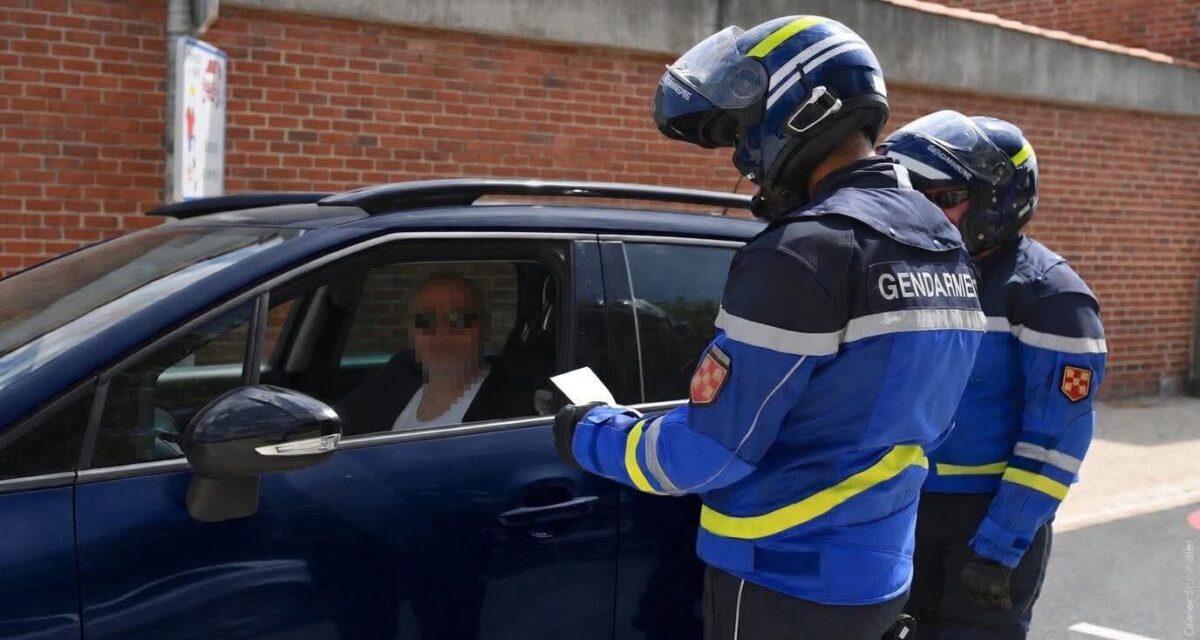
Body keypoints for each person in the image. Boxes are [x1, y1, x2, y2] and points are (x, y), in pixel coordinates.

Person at [554, 16, 986, 640]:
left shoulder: (805, 252)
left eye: (742, 130)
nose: (742, 156)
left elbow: (704, 456)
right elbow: (927, 420)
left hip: (780, 577)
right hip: (881, 577)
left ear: (800, 106)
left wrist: (587, 430)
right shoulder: (940, 242)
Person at [878, 112, 1107, 639]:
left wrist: (999, 547)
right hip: (902, 509)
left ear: (997, 200)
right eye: (916, 195)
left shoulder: (1050, 296)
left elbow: (1057, 439)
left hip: (986, 523)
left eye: (943, 197)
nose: (925, 210)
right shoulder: (918, 274)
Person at [336, 272, 527, 434]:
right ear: (411, 332)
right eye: (425, 321)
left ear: (485, 328)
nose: (441, 333)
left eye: (459, 321)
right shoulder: (398, 375)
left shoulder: (512, 404)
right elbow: (333, 426)